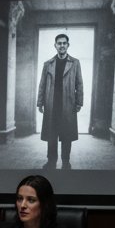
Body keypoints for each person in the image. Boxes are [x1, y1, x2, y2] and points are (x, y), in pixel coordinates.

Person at [36, 33, 83, 170]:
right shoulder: (48, 64)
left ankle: (66, 161)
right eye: (59, 43)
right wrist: (40, 102)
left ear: (68, 45)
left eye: (64, 43)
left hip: (68, 105)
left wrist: (79, 102)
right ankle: (51, 161)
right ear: (55, 45)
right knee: (52, 136)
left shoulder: (75, 63)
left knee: (66, 135)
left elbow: (79, 84)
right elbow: (42, 85)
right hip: (51, 105)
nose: (61, 45)